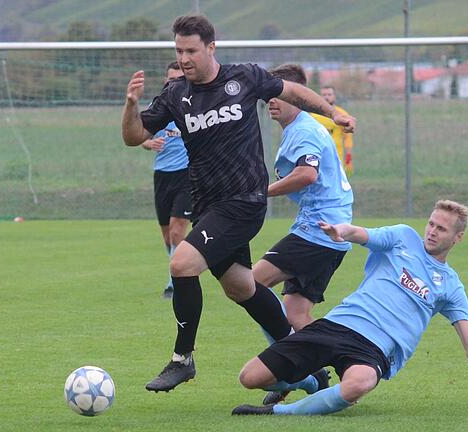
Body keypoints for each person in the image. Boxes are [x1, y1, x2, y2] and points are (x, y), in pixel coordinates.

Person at [121, 14, 356, 393]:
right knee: (241, 287)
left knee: (181, 263)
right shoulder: (174, 95)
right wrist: (131, 104)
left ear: (211, 48)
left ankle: (183, 360)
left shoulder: (243, 77)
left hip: (244, 202)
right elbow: (134, 137)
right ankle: (306, 369)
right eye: (178, 50)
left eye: (191, 51)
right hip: (208, 207)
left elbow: (293, 92)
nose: (184, 58)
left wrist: (334, 113)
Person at [232, 200, 468, 415]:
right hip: (338, 324)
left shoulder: (451, 286)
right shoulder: (403, 238)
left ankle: (279, 413)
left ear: (457, 238)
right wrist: (340, 231)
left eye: (441, 228)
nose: (431, 232)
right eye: (431, 223)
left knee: (360, 382)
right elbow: (360, 233)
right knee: (250, 378)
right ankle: (309, 382)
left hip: (375, 348)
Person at [252, 63, 354, 405]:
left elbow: (307, 175)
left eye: (279, 94)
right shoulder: (297, 129)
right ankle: (337, 363)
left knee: (252, 284)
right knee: (296, 313)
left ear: (298, 96)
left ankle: (286, 368)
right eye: (268, 95)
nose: (271, 101)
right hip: (326, 231)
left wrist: (261, 191)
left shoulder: (304, 130)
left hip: (319, 230)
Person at [140, 61, 192, 299]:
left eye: (178, 79)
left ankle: (175, 282)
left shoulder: (193, 106)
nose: (174, 83)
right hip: (162, 175)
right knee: (166, 235)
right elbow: (140, 135)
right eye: (170, 79)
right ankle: (179, 265)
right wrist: (149, 143)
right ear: (165, 81)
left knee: (177, 230)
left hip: (188, 175)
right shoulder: (158, 106)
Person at [310, 86, 355, 175]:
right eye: (324, 95)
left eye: (329, 94)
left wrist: (349, 156)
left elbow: (347, 137)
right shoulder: (313, 115)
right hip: (317, 157)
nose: (326, 97)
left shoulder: (341, 114)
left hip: (336, 158)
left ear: (334, 96)